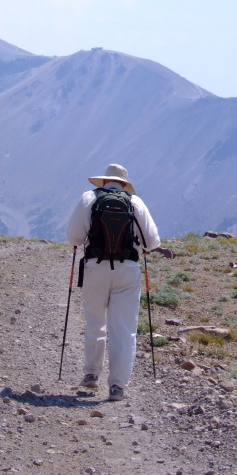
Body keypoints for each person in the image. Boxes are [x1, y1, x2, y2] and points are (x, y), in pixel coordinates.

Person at [66, 164, 160, 401]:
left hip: (95, 267)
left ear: (104, 181)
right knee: (124, 330)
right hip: (128, 270)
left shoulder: (89, 198)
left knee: (95, 321)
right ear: (124, 183)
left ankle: (91, 374)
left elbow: (74, 237)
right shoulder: (135, 203)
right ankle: (118, 386)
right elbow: (153, 242)